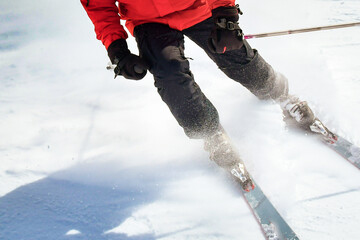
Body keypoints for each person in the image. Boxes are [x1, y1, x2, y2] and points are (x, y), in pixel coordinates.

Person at [80, 0, 315, 191]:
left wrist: (225, 15)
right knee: (170, 75)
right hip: (149, 20)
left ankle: (279, 93)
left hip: (198, 6)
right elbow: (98, 5)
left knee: (233, 52)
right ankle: (210, 134)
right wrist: (117, 49)